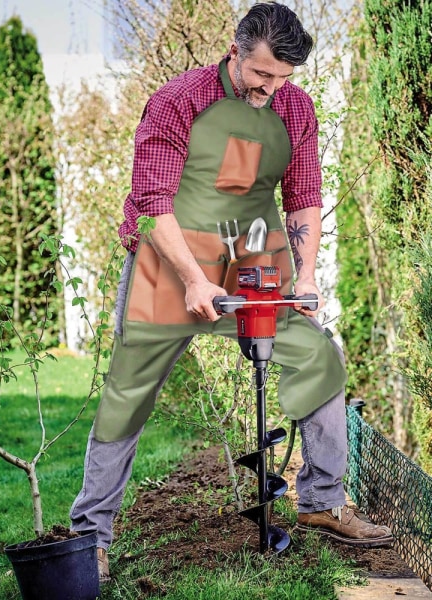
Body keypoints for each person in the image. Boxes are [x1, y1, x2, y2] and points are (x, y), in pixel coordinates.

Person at [70, 1, 393, 582]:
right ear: (235, 51)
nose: (271, 88)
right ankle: (90, 535)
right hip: (166, 265)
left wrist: (309, 272)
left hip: (251, 262)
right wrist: (193, 278)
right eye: (261, 74)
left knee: (319, 359)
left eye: (283, 78)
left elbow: (304, 196)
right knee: (128, 396)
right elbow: (151, 204)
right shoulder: (178, 102)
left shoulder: (294, 107)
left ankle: (322, 504)